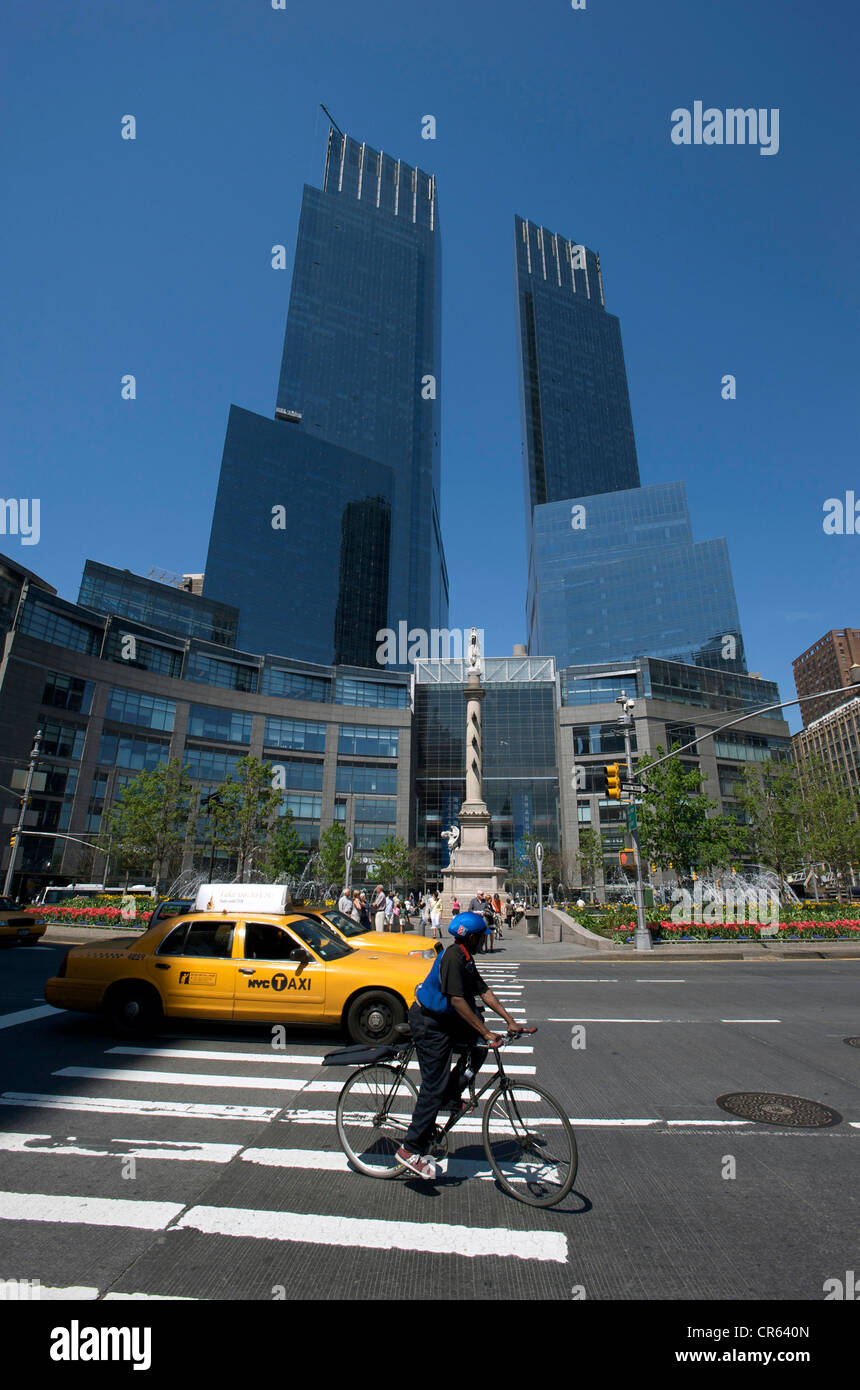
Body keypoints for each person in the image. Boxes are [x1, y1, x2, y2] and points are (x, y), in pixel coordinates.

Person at [395, 912, 526, 1180]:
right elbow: (456, 1000)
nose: (484, 941)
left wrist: (510, 1021)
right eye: (482, 937)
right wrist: (487, 1031)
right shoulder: (454, 957)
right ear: (474, 937)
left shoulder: (466, 957)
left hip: (442, 1019)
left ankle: (451, 1094)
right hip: (428, 1022)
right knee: (432, 1086)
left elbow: (483, 990)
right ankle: (409, 1150)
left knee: (476, 1047)